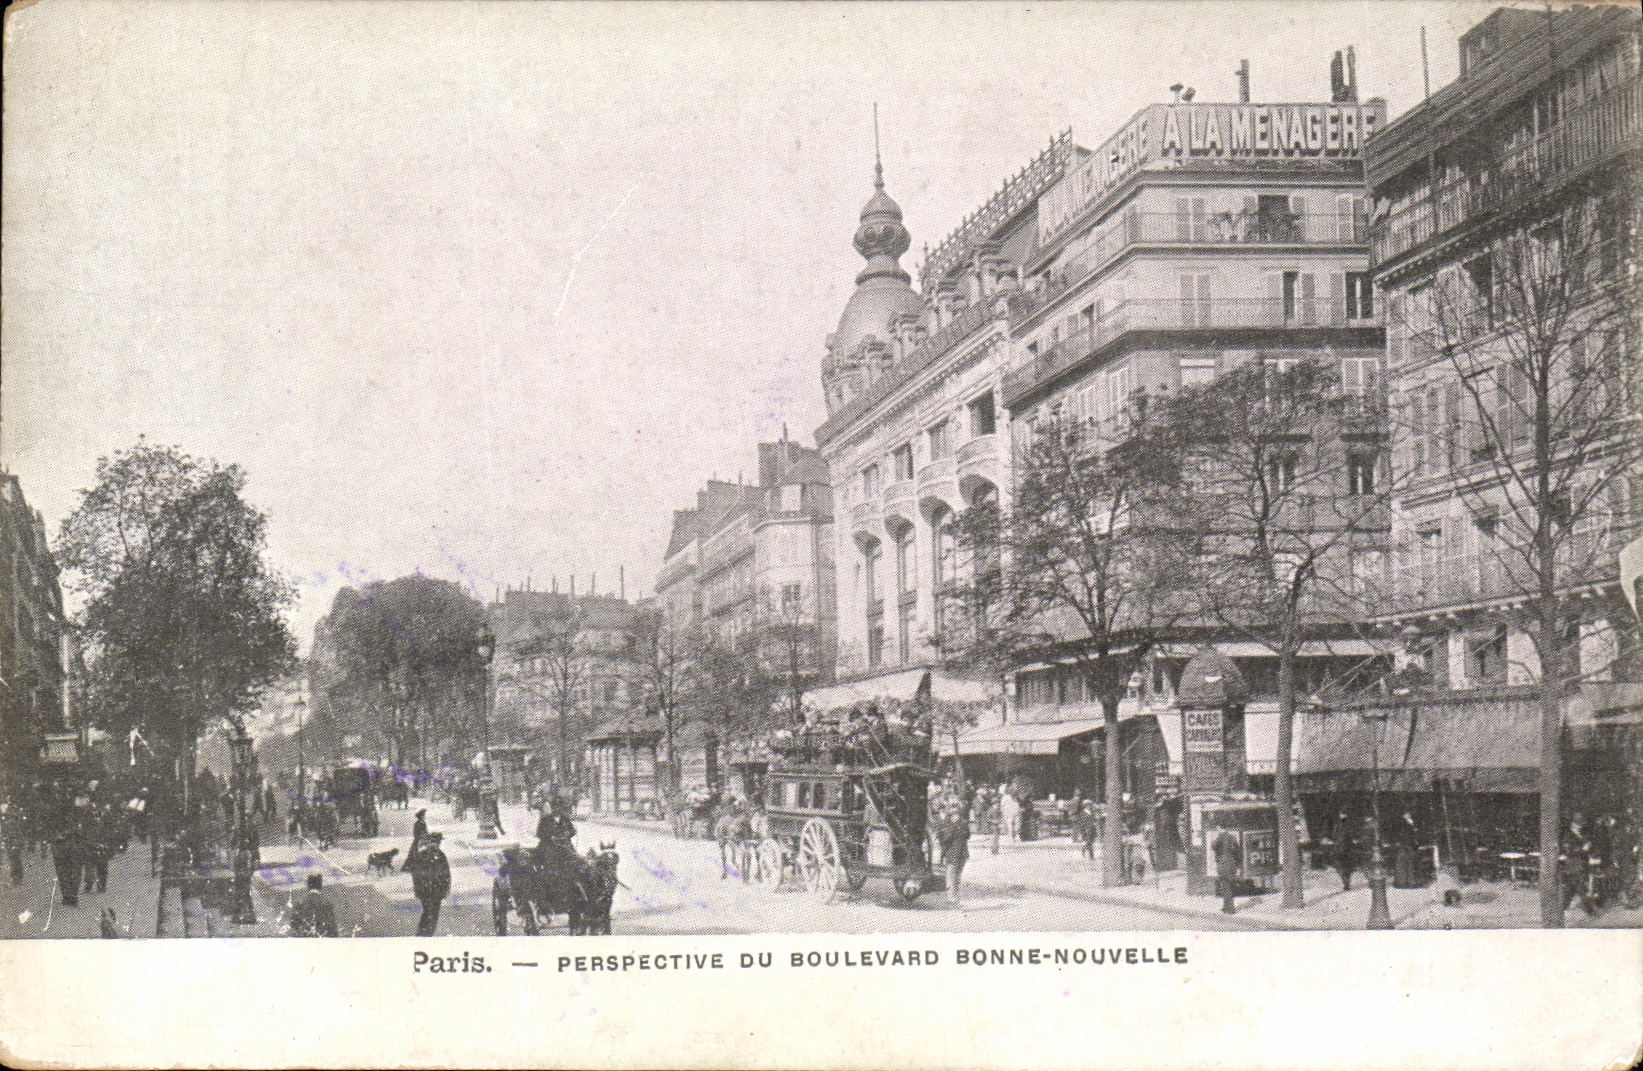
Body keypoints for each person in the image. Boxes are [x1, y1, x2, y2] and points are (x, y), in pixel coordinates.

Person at [933, 784, 972, 906]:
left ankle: (953, 898)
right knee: (954, 874)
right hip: (958, 852)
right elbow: (965, 835)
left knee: (953, 874)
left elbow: (948, 837)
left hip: (956, 852)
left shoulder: (955, 822)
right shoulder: (957, 822)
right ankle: (953, 898)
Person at [408, 830, 452, 936]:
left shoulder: (422, 854)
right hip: (435, 890)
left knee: (427, 912)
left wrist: (418, 888)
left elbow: (416, 873)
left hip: (426, 890)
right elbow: (446, 874)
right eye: (438, 841)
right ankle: (425, 934)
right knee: (432, 914)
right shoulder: (439, 855)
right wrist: (445, 888)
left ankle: (423, 934)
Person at [1212, 828, 1243, 914]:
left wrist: (1214, 838)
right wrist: (1238, 866)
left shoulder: (1219, 838)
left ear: (1220, 828)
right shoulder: (1232, 838)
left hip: (1223, 863)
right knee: (1229, 884)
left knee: (1225, 885)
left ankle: (1230, 908)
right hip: (1232, 864)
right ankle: (1226, 906)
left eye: (1218, 828)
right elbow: (1238, 852)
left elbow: (1213, 846)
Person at [1333, 812, 1360, 892]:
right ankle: (1346, 882)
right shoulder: (1347, 826)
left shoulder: (1339, 826)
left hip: (1342, 849)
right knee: (1345, 867)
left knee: (1342, 867)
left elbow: (1335, 837)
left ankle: (1346, 882)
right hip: (1345, 849)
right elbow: (1352, 836)